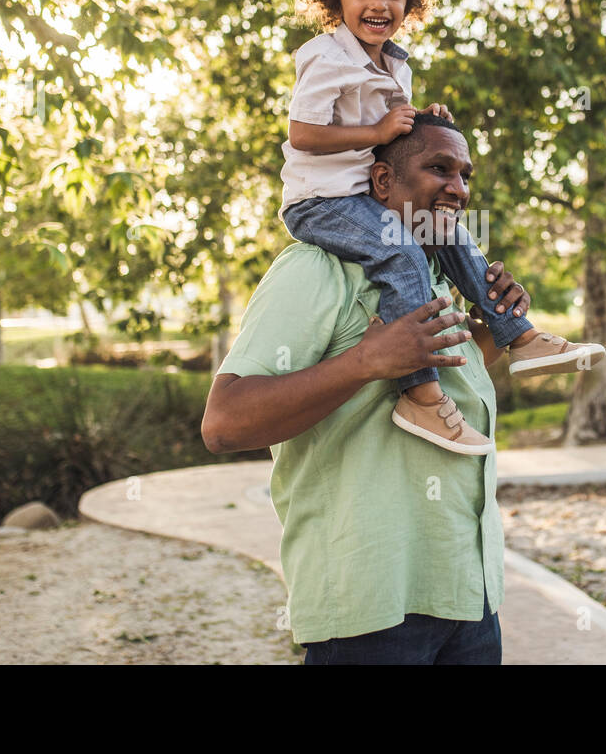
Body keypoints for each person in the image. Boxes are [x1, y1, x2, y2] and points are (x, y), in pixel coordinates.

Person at [279, 0, 603, 456]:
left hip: (363, 194)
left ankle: (517, 336)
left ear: (412, 1)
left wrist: (425, 126)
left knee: (451, 232)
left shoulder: (395, 63)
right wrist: (379, 131)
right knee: (401, 250)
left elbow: (396, 142)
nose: (377, 4)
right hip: (321, 200)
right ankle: (420, 398)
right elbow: (304, 134)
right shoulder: (325, 57)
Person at [202, 115, 526, 664]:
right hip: (371, 610)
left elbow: (453, 387)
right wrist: (364, 363)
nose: (459, 189)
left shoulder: (437, 278)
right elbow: (224, 423)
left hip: (471, 598)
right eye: (439, 169)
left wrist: (493, 330)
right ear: (381, 182)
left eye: (466, 175)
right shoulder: (315, 269)